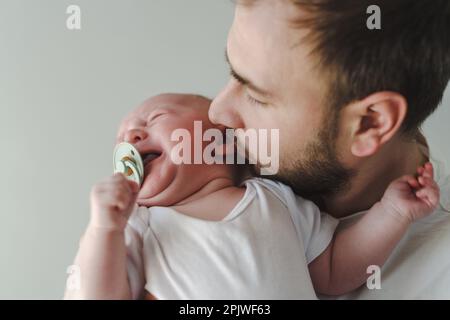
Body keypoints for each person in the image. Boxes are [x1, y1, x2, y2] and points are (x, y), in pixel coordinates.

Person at [64, 93, 439, 300]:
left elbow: (334, 272)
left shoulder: (275, 200)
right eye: (122, 138)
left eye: (154, 118)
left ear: (222, 142)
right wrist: (103, 229)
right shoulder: (139, 226)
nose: (129, 137)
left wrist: (391, 212)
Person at [208, 0, 450, 298]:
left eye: (257, 96)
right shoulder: (207, 175)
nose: (216, 113)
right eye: (233, 73)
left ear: (369, 123)